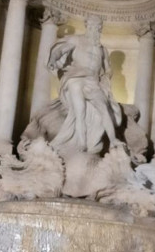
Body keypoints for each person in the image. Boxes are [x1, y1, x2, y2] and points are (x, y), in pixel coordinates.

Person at [47, 15, 122, 155]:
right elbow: (59, 51)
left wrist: (107, 75)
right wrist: (52, 59)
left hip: (93, 81)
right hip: (76, 78)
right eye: (93, 26)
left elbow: (108, 68)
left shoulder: (102, 49)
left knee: (104, 109)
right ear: (87, 26)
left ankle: (113, 140)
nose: (96, 29)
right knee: (79, 111)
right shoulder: (77, 40)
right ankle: (82, 143)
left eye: (99, 27)